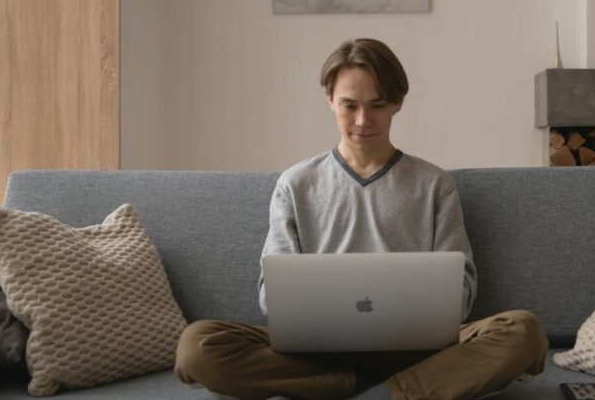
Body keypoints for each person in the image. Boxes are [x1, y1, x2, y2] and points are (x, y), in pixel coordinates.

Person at [175, 38, 548, 400]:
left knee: (524, 332)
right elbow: (272, 297)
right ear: (329, 100)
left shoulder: (435, 185)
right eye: (348, 105)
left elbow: (462, 297)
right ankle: (375, 387)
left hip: (421, 351)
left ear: (398, 104)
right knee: (197, 347)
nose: (362, 120)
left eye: (378, 104)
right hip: (316, 353)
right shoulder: (296, 184)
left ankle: (377, 392)